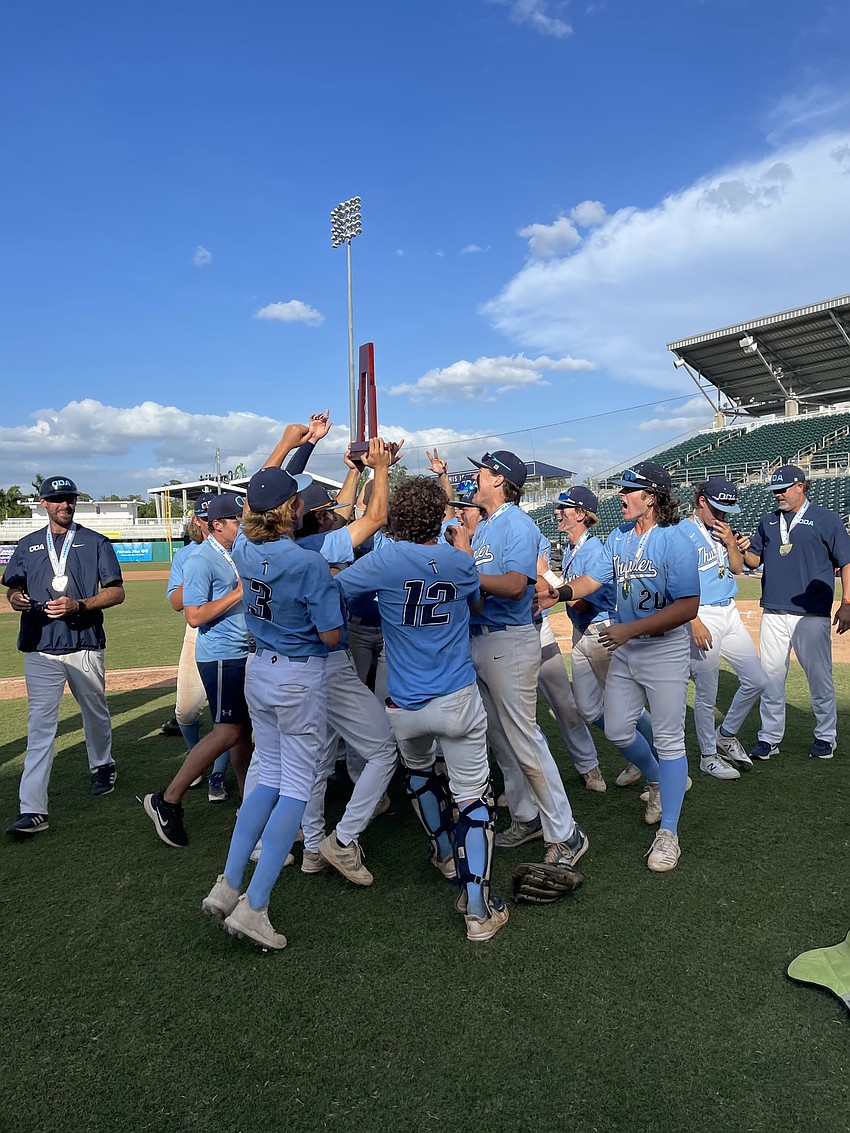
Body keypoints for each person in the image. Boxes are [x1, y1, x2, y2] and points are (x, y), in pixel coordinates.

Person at [337, 476, 509, 942]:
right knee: (473, 797)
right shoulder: (459, 561)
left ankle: (442, 852)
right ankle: (477, 909)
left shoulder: (383, 559)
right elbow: (474, 603)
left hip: (404, 699)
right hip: (455, 695)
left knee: (418, 773)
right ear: (438, 516)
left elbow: (337, 589)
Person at [201, 465, 343, 950]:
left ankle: (228, 883)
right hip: (298, 673)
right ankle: (255, 906)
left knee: (268, 777)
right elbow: (330, 635)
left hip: (259, 668)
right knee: (296, 789)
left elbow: (249, 513)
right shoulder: (306, 563)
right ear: (293, 510)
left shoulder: (241, 547)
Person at [545, 462, 699, 872]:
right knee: (615, 728)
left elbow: (688, 606)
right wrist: (557, 593)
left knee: (669, 740)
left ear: (651, 497)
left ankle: (669, 833)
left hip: (662, 649)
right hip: (628, 646)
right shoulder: (618, 537)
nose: (620, 495)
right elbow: (593, 581)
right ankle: (657, 782)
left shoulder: (675, 538)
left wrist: (631, 629)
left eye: (628, 489)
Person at [457, 450, 588, 871]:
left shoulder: (517, 523)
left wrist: (463, 572)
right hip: (482, 638)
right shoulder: (486, 526)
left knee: (525, 739)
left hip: (509, 642)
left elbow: (515, 586)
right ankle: (527, 817)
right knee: (500, 738)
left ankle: (567, 833)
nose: (475, 476)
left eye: (482, 471)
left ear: (499, 480)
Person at [4, 475, 125, 837]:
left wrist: (80, 604)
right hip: (41, 647)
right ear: (43, 503)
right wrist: (16, 600)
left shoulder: (95, 542)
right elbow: (13, 590)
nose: (65, 504)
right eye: (57, 499)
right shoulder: (27, 545)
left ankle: (102, 764)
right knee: (40, 727)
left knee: (95, 712)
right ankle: (33, 809)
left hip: (84, 642)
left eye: (69, 498)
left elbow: (116, 592)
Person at [143, 490, 259, 847]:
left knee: (243, 732)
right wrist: (239, 593)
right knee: (226, 732)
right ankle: (168, 799)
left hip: (240, 651)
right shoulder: (200, 560)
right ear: (217, 525)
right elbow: (193, 614)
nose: (242, 526)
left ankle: (247, 801)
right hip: (221, 654)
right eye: (236, 521)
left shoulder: (233, 552)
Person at [740, 464, 850, 760]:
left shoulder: (827, 519)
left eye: (783, 489)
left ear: (801, 486)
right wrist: (738, 548)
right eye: (775, 490)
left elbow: (847, 561)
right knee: (771, 678)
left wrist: (848, 602)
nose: (778, 495)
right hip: (773, 610)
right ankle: (769, 738)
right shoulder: (767, 521)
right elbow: (753, 561)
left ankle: (826, 736)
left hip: (811, 613)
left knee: (819, 676)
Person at [552, 485, 657, 787]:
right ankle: (641, 757)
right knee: (588, 709)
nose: (558, 512)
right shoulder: (574, 548)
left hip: (601, 634)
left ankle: (659, 765)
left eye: (565, 507)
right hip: (581, 633)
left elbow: (583, 600)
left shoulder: (594, 549)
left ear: (582, 514)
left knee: (626, 709)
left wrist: (549, 580)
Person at [680, 478, 764, 779]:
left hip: (729, 610)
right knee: (706, 693)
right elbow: (671, 582)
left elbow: (738, 569)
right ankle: (707, 755)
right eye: (717, 509)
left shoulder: (723, 530)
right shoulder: (681, 532)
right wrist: (692, 619)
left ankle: (725, 734)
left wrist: (731, 543)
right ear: (701, 501)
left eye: (727, 510)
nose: (722, 516)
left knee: (756, 679)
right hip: (702, 613)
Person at [166, 493, 232, 801]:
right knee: (187, 710)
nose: (209, 525)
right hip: (200, 633)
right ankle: (197, 758)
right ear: (198, 521)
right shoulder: (189, 556)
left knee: (231, 720)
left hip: (233, 638)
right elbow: (177, 605)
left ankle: (218, 774)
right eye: (204, 520)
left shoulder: (236, 546)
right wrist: (196, 573)